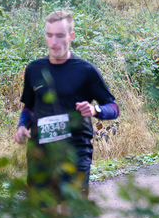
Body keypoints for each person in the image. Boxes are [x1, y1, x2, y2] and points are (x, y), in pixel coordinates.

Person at [14, 10, 119, 198]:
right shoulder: (34, 69)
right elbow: (29, 107)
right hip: (41, 153)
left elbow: (113, 107)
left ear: (71, 36)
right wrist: (22, 126)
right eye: (49, 35)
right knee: (41, 217)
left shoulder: (86, 71)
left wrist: (95, 110)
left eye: (60, 36)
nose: (54, 42)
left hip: (75, 153)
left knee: (70, 215)